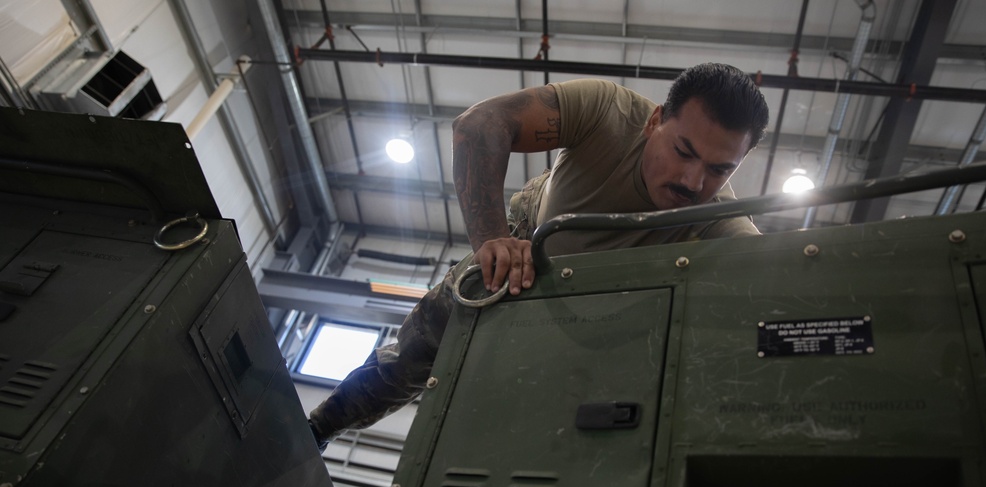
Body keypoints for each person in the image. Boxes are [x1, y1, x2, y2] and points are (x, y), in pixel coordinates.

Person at [308, 62, 769, 443]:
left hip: (599, 305)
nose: (693, 182)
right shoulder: (609, 111)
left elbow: (776, 273)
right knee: (420, 347)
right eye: (683, 151)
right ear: (654, 122)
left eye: (719, 169)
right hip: (529, 238)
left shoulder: (718, 216)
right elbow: (480, 125)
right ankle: (318, 429)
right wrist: (492, 240)